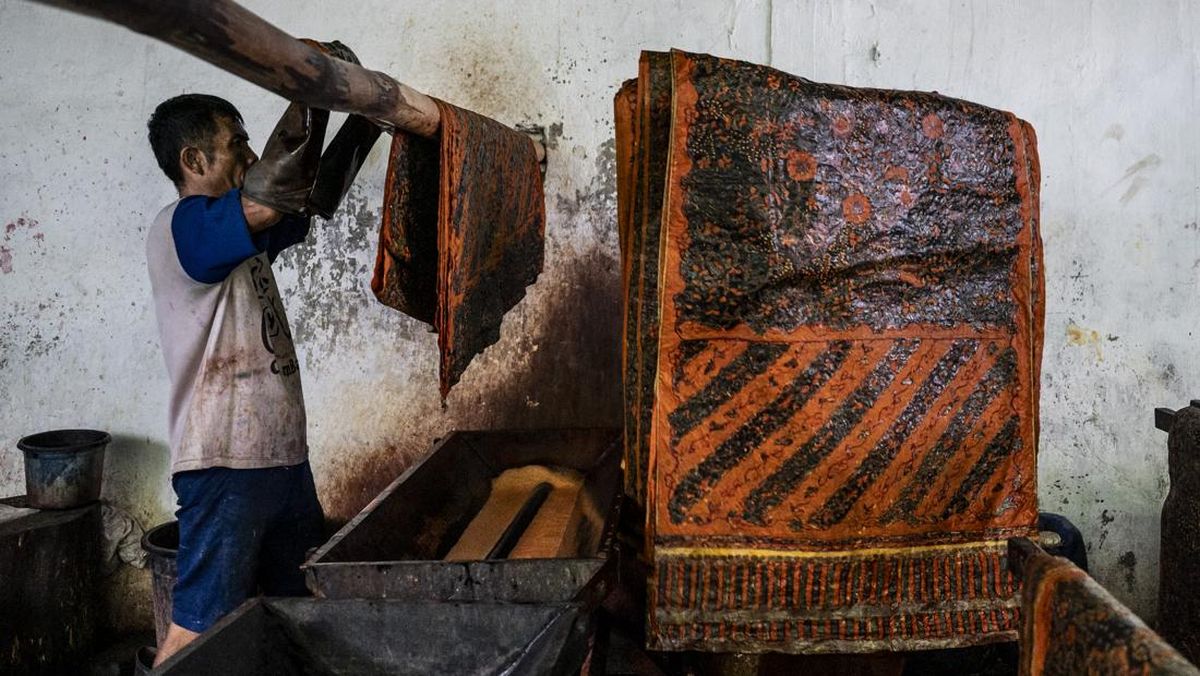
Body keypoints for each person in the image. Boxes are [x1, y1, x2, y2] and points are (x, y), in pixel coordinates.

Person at [143, 59, 377, 664]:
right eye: (237, 144)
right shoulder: (184, 227)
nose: (250, 157)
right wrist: (309, 90)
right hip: (224, 462)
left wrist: (367, 121)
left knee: (294, 607)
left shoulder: (240, 233)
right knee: (198, 625)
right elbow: (271, 203)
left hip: (280, 459)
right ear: (194, 161)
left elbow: (306, 197)